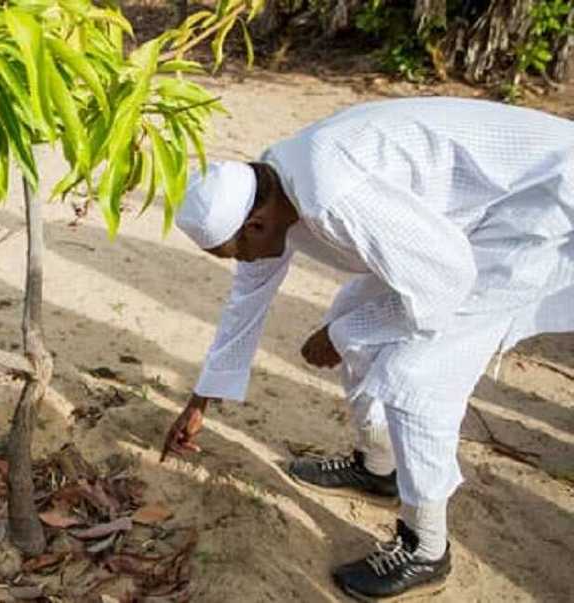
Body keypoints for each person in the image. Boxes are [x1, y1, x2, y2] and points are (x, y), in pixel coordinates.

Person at [161, 97, 574, 601]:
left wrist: (340, 334)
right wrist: (201, 399)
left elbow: (449, 281)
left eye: (234, 252)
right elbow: (246, 300)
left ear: (254, 226)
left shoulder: (332, 195)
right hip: (460, 228)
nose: (239, 262)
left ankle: (425, 547)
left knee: (416, 378)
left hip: (537, 209)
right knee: (351, 322)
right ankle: (378, 468)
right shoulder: (267, 189)